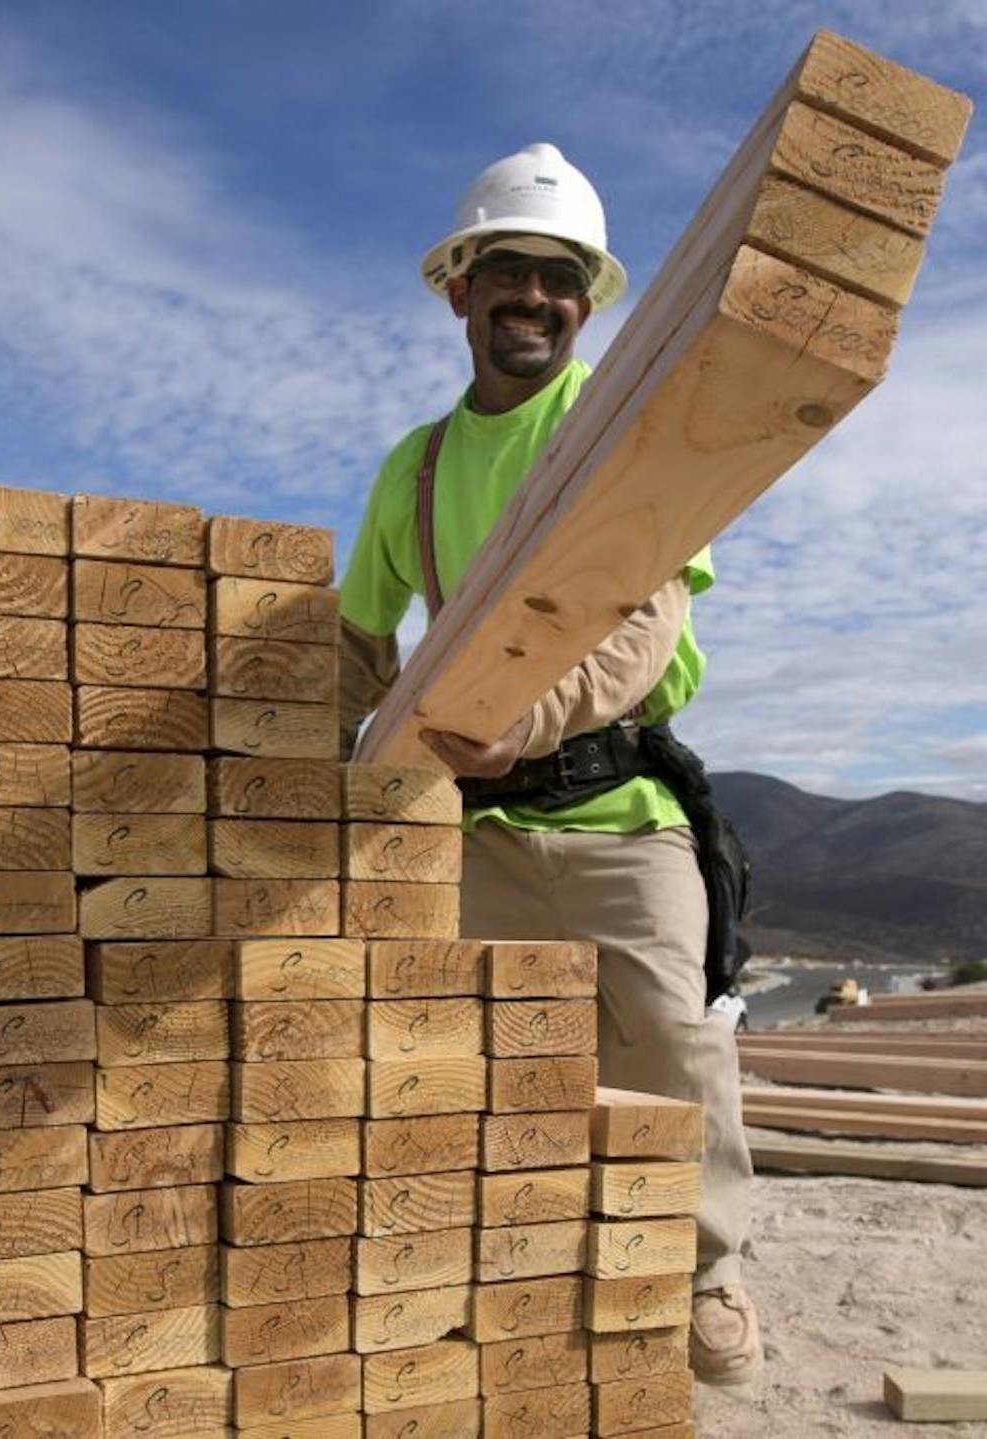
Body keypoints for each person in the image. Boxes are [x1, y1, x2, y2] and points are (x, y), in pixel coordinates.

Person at [337, 142, 761, 1385]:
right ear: (458, 290)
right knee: (467, 1061)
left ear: (587, 302)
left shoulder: (623, 419)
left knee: (674, 1041)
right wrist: (281, 774)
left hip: (618, 812)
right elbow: (355, 644)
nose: (536, 297)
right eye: (510, 272)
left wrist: (533, 713)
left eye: (562, 279)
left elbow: (646, 623)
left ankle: (707, 1268)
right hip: (468, 826)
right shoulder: (412, 470)